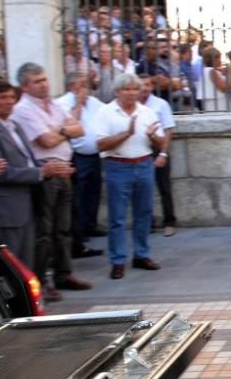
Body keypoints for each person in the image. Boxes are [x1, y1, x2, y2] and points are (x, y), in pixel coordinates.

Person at [0, 80, 74, 302]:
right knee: (11, 262)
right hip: (7, 206)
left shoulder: (14, 125)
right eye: (2, 98)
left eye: (11, 97)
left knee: (29, 258)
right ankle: (14, 306)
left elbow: (27, 161)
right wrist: (41, 173)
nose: (9, 102)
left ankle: (29, 303)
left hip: (27, 201)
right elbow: (0, 171)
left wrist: (47, 170)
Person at [11, 63, 91, 294]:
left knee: (63, 228)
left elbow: (80, 129)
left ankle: (64, 274)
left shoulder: (54, 105)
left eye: (45, 79)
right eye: (37, 81)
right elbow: (46, 141)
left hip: (65, 169)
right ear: (25, 86)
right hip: (45, 172)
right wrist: (64, 130)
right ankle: (42, 281)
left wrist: (60, 130)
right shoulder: (23, 109)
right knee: (44, 232)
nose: (44, 84)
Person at [94, 73, 166, 280]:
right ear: (117, 91)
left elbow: (161, 142)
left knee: (144, 213)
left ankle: (141, 255)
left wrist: (154, 138)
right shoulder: (105, 112)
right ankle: (118, 261)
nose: (132, 93)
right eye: (127, 89)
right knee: (117, 217)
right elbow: (100, 144)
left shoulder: (147, 112)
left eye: (135, 89)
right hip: (118, 165)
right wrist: (126, 133)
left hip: (144, 164)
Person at [57, 72, 105, 259]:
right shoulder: (63, 103)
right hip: (77, 156)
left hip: (94, 154)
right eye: (80, 85)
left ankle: (90, 226)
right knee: (79, 196)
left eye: (86, 84)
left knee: (94, 192)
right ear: (71, 87)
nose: (84, 88)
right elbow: (70, 125)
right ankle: (79, 233)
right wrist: (78, 103)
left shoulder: (94, 102)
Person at [137, 75, 177, 236]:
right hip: (140, 150)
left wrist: (163, 153)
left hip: (158, 148)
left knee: (164, 188)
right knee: (142, 189)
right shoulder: (133, 106)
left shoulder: (161, 104)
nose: (145, 88)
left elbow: (168, 130)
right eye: (141, 85)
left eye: (148, 85)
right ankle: (148, 222)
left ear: (152, 87)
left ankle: (170, 222)